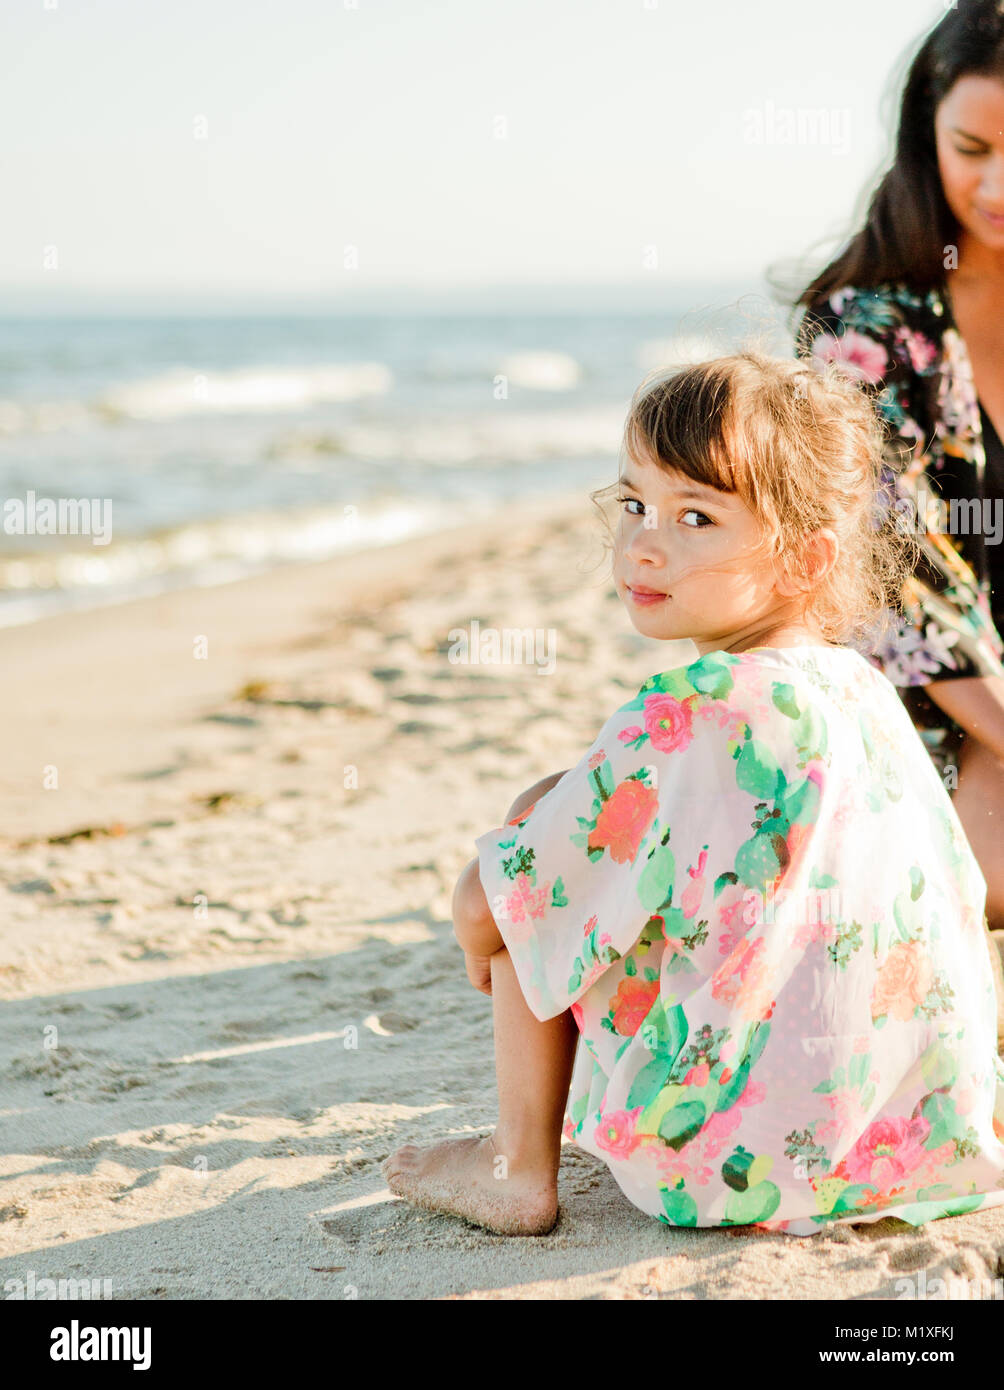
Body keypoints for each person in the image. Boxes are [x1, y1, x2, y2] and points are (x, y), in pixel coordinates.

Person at [382, 351, 1004, 1237]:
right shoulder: (862, 690)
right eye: (635, 503)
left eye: (696, 517)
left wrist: (477, 906)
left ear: (802, 561)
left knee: (531, 836)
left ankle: (514, 1165)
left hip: (729, 1168)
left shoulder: (686, 714)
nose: (644, 541)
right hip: (918, 1140)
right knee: (563, 807)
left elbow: (494, 909)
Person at [788, 0, 1004, 939]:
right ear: (926, 135)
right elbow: (895, 579)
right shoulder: (864, 329)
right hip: (929, 699)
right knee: (958, 884)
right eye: (973, 148)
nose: (1001, 184)